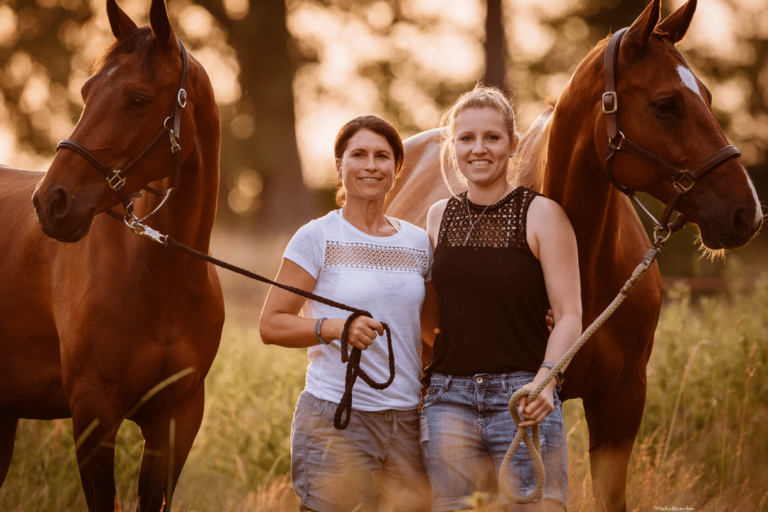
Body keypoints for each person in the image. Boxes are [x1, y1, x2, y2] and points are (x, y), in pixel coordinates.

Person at [419, 85, 582, 512]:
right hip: (447, 401)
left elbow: (569, 314)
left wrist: (546, 379)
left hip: (523, 398)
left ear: (513, 145)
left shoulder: (543, 215)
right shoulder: (439, 217)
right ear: (453, 147)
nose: (479, 149)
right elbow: (426, 310)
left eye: (492, 137)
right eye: (466, 138)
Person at [259, 115, 432, 512]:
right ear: (339, 166)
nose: (371, 165)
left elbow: (435, 326)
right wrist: (335, 327)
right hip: (337, 418)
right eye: (359, 154)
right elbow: (271, 324)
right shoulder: (316, 237)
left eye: (382, 156)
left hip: (406, 420)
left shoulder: (418, 242)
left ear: (396, 168)